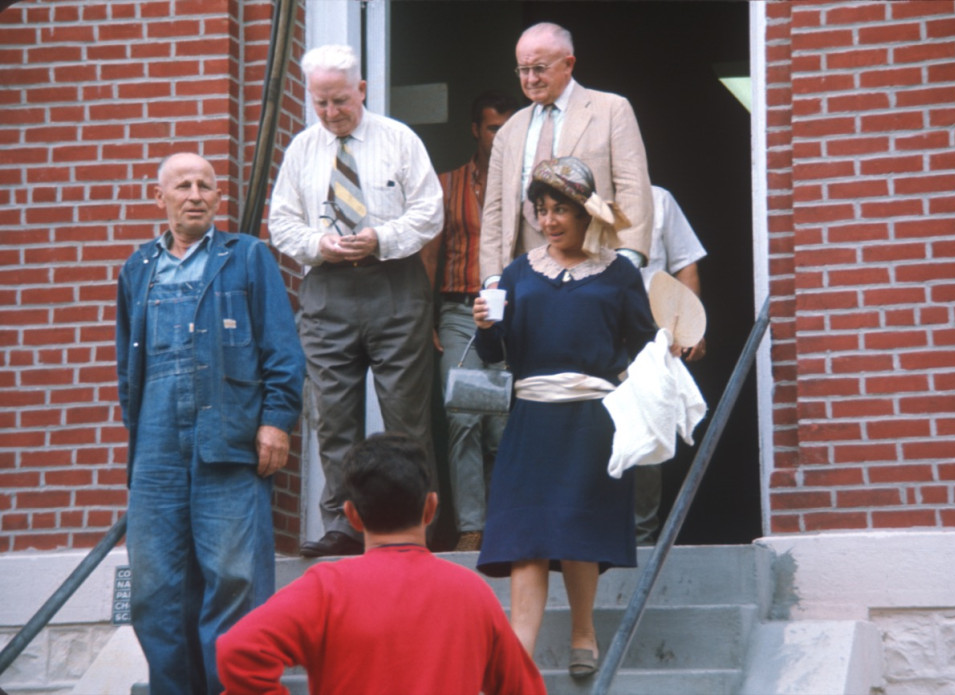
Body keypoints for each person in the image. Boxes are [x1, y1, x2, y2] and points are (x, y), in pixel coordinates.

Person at [115, 152, 306, 694]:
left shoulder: (246, 257)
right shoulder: (138, 268)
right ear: (161, 199)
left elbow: (283, 351)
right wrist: (145, 435)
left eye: (205, 184)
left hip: (230, 440)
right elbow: (129, 371)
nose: (196, 193)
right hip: (155, 453)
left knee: (235, 579)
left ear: (217, 198)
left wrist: (276, 421)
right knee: (154, 588)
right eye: (183, 186)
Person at [472, 156, 657, 679]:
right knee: (526, 535)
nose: (550, 221)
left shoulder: (619, 273)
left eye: (561, 210)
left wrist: (674, 346)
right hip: (531, 417)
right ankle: (518, 654)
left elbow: (643, 345)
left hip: (592, 421)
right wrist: (483, 323)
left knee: (577, 530)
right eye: (542, 210)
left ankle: (583, 631)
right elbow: (491, 353)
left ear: (585, 215)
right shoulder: (518, 271)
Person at [268, 44, 444, 558]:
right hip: (327, 291)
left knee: (406, 418)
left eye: (340, 101)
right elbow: (282, 222)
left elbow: (430, 212)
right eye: (320, 103)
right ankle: (344, 526)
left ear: (361, 90)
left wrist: (381, 238)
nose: (330, 113)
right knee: (333, 418)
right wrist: (317, 244)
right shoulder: (303, 149)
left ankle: (415, 523)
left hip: (394, 284)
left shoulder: (398, 140)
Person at [216, 432, 547, 695]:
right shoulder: (473, 593)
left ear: (352, 516)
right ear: (431, 509)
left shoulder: (326, 587)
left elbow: (238, 650)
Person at [479, 21, 653, 287]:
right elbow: (494, 210)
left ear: (568, 64)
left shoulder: (611, 110)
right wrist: (492, 278)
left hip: (596, 270)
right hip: (524, 274)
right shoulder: (509, 129)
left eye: (539, 68)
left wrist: (626, 263)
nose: (531, 79)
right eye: (523, 70)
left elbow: (634, 189)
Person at [420, 90, 518, 552]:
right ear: (476, 130)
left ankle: (501, 526)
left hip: (513, 314)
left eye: (507, 127)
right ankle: (471, 528)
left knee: (501, 422)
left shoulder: (528, 185)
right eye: (493, 127)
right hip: (459, 310)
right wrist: (427, 318)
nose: (500, 137)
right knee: (463, 413)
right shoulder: (447, 184)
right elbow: (430, 254)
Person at [634, 184, 708, 544]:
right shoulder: (585, 202)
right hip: (601, 327)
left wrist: (688, 328)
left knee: (651, 427)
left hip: (654, 328)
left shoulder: (659, 199)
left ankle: (642, 536)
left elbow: (686, 264)